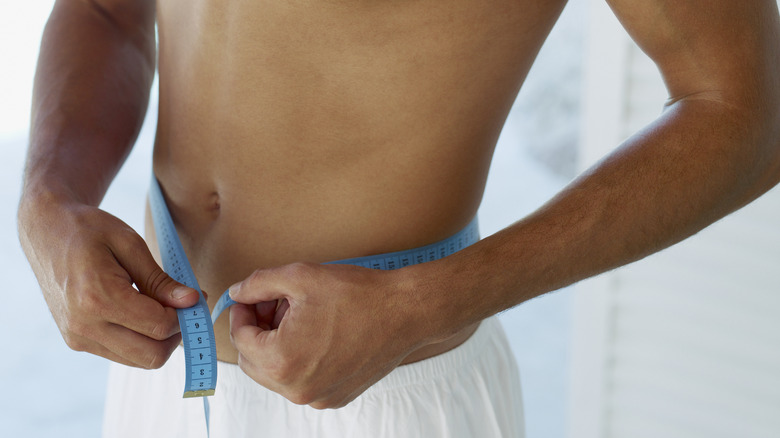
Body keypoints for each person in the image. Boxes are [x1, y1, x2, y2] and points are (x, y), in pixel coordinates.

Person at [17, 0, 780, 436]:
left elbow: (749, 116)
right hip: (166, 383)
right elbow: (109, 12)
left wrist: (424, 301)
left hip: (386, 402)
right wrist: (50, 196)